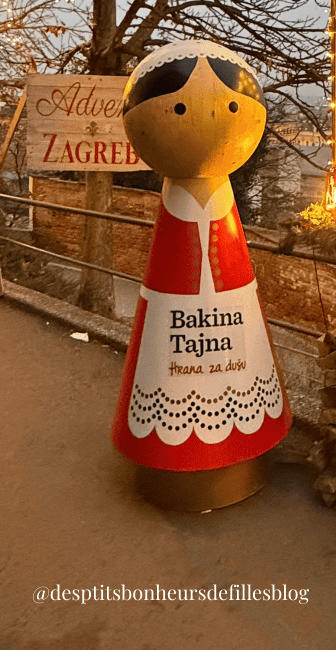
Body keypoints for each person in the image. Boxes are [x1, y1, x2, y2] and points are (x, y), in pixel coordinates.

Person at [111, 39, 291, 483]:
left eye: (231, 108)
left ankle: (234, 453)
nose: (208, 114)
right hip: (186, 325)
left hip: (224, 294)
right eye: (178, 110)